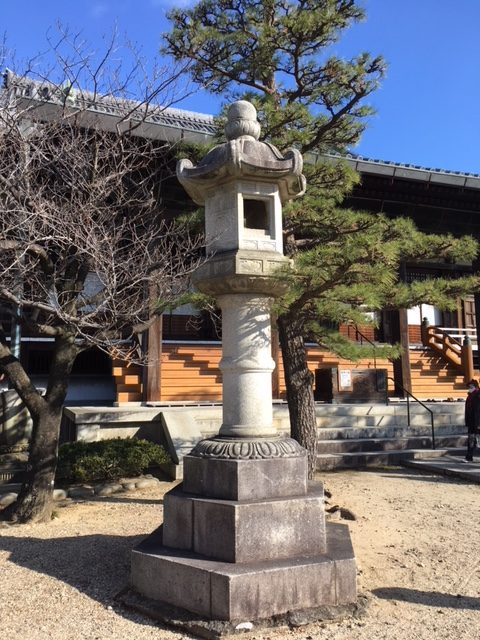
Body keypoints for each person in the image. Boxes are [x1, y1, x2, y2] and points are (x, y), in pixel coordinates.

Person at [464, 379, 480, 462]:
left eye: (471, 387)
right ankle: (469, 457)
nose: (469, 388)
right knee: (471, 439)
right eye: (469, 387)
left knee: (477, 440)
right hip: (471, 422)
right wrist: (467, 421)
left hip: (478, 421)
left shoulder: (478, 395)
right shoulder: (469, 396)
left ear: (475, 387)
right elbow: (467, 410)